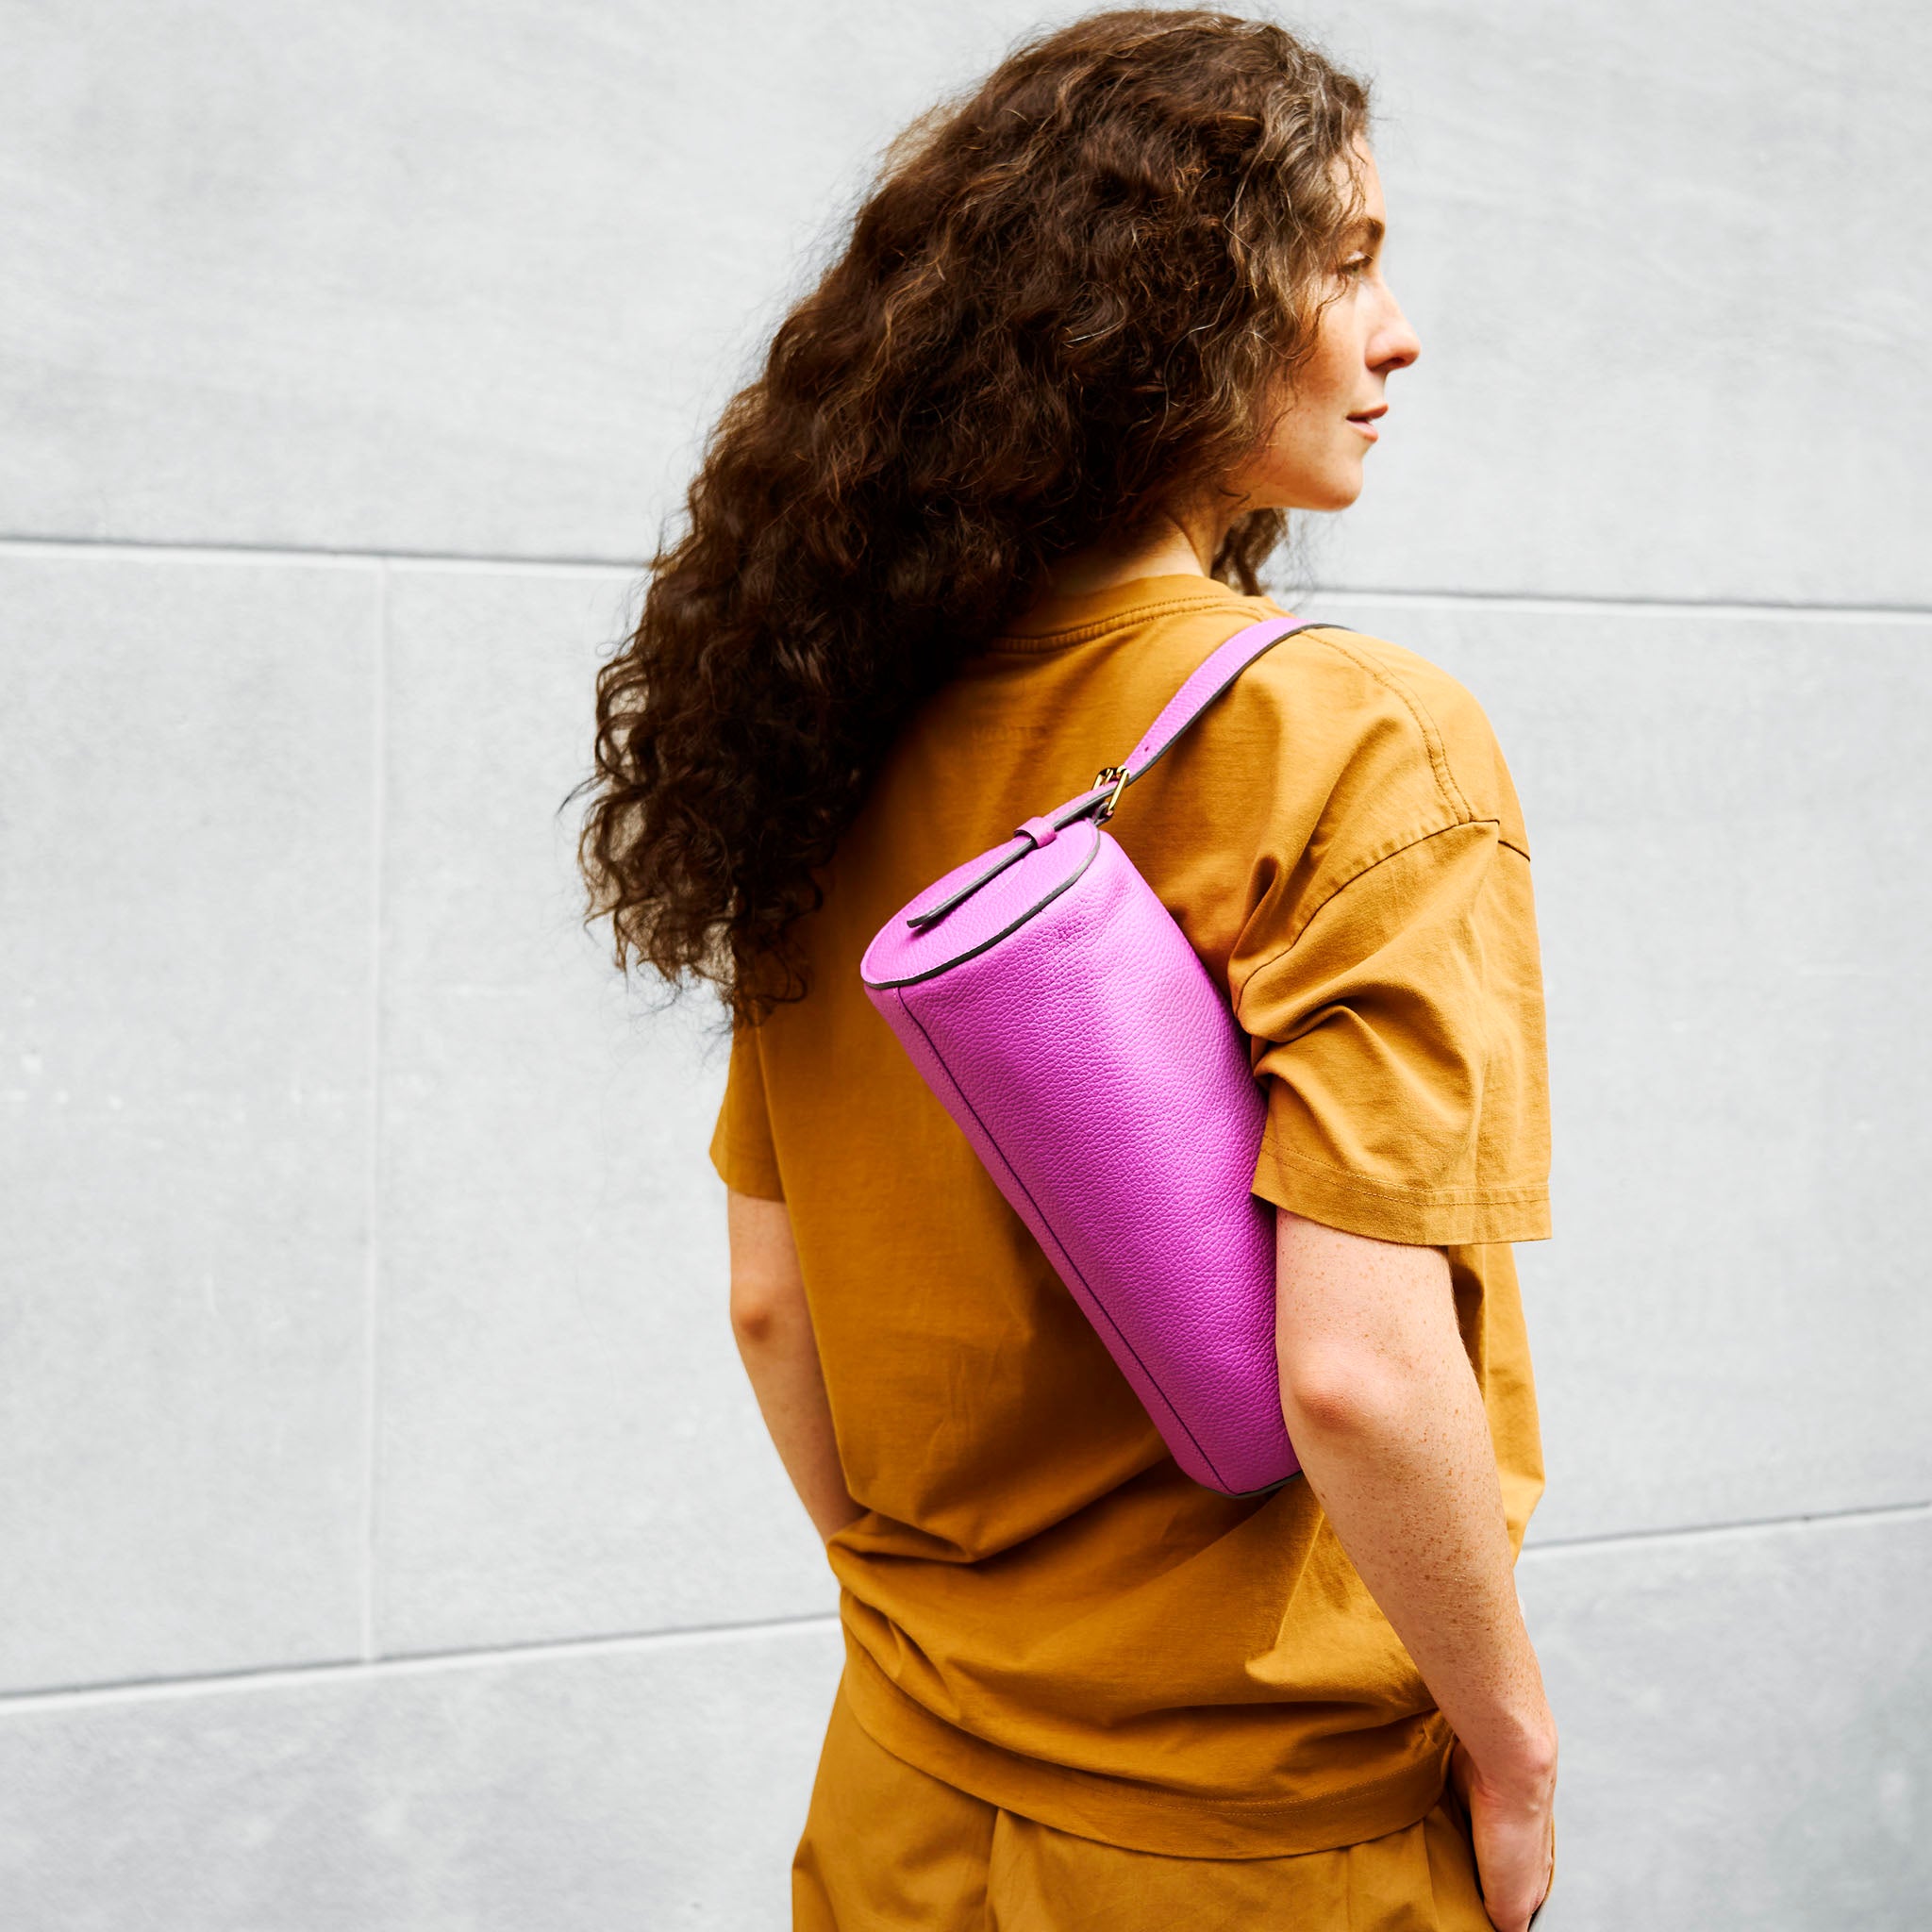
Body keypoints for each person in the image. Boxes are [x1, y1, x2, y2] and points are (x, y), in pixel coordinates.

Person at [580, 9, 1558, 1927]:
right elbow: (1358, 1373)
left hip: (907, 1781)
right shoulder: (1358, 736)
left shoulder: (830, 720)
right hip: (1254, 1833)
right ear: (1166, 318)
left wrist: (959, 1638)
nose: (1399, 329)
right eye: (1345, 261)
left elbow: (772, 1306)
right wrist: (1509, 1745)